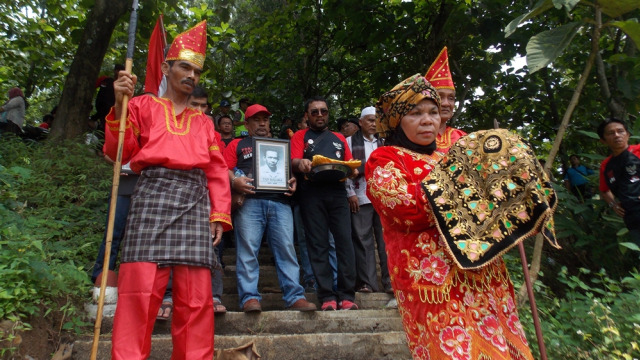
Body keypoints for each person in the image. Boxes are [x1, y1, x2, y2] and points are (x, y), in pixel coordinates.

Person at [366, 74, 557, 360]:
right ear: (396, 120)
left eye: (432, 112)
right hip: (433, 282)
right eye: (415, 113)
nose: (428, 120)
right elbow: (403, 207)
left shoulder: (450, 157)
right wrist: (464, 185)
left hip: (485, 274)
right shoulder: (386, 158)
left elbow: (490, 207)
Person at [102, 21, 231, 359]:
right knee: (138, 294)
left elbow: (217, 169)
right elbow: (119, 152)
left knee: (196, 300)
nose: (192, 75)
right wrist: (119, 104)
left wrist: (219, 213)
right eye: (185, 66)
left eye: (198, 70)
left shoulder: (204, 122)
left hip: (193, 198)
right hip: (152, 196)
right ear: (166, 68)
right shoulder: (142, 106)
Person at [224, 103, 316, 312]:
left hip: (280, 201)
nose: (262, 123)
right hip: (250, 201)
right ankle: (249, 297)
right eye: (257, 119)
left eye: (265, 119)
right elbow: (224, 168)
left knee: (286, 249)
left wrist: (293, 180)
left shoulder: (279, 143)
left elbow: (289, 172)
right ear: (246, 123)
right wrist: (234, 181)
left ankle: (295, 296)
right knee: (248, 250)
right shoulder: (237, 145)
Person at [291, 96, 358, 311]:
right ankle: (327, 295)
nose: (320, 115)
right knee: (318, 244)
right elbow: (292, 161)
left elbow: (350, 165)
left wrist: (354, 171)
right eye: (315, 112)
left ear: (328, 113)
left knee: (345, 243)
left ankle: (347, 295)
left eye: (324, 111)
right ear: (307, 116)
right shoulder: (300, 136)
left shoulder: (339, 137)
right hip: (311, 192)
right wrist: (300, 163)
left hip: (337, 192)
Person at [345, 106, 390, 294]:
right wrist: (350, 193)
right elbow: (346, 169)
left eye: (376, 120)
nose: (373, 124)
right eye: (370, 120)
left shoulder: (385, 142)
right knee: (362, 241)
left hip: (384, 198)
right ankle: (367, 283)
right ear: (361, 122)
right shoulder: (348, 141)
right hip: (361, 196)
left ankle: (390, 283)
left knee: (386, 241)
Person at [598, 118, 640, 247]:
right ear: (603, 140)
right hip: (633, 219)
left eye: (620, 131)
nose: (616, 135)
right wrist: (613, 205)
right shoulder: (606, 166)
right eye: (611, 133)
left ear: (627, 134)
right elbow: (604, 190)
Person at [424, 47, 466, 152]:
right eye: (440, 96)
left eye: (451, 98)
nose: (446, 103)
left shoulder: (463, 138)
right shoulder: (413, 137)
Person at [92, 64, 125, 137]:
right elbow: (92, 87)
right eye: (117, 70)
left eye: (120, 71)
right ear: (115, 71)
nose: (118, 72)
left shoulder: (123, 88)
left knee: (105, 132)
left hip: (111, 114)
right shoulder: (105, 80)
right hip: (101, 110)